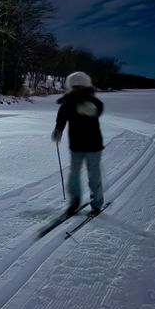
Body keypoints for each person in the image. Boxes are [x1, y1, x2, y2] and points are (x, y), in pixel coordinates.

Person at [51, 71, 104, 216]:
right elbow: (62, 118)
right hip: (76, 145)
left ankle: (97, 204)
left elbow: (98, 109)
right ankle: (74, 202)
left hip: (93, 146)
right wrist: (58, 130)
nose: (77, 89)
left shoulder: (92, 101)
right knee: (74, 175)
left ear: (85, 86)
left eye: (79, 86)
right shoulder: (68, 103)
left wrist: (85, 105)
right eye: (74, 86)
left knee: (94, 176)